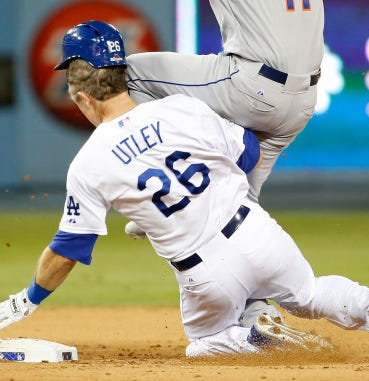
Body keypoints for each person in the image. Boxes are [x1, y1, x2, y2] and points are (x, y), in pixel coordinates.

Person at [0, 21, 369, 358]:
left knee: (202, 343)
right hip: (255, 230)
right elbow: (250, 155)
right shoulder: (182, 108)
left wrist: (30, 297)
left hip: (204, 273)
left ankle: (252, 336)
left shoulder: (87, 164)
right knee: (311, 294)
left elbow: (68, 248)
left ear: (83, 97)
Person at [125, 0, 325, 323]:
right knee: (240, 208)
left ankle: (171, 184)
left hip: (253, 87)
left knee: (130, 74)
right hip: (304, 101)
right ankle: (256, 313)